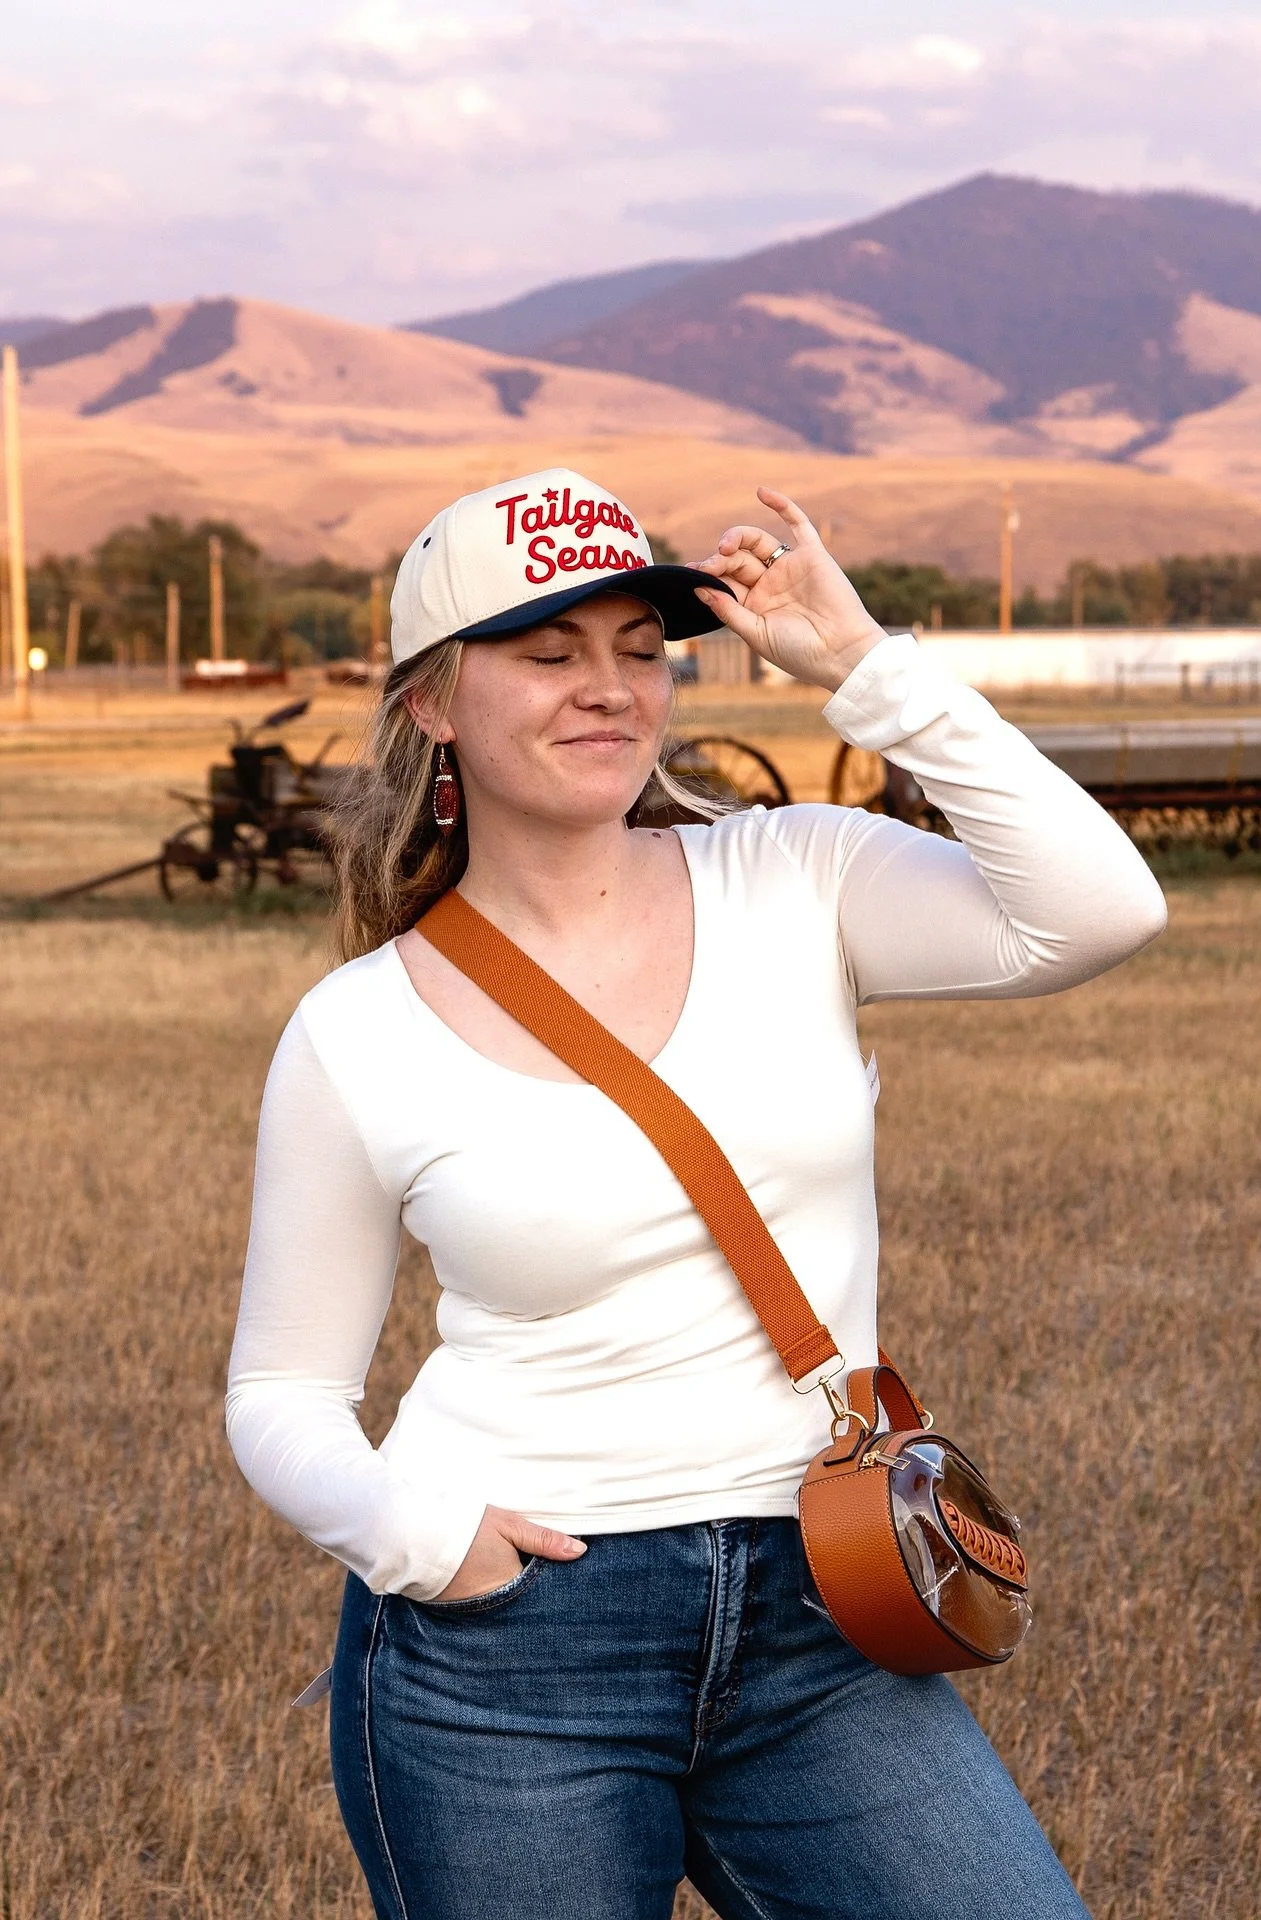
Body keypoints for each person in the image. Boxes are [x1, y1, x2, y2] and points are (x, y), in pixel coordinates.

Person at [227, 468, 1166, 1920]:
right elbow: (282, 1393)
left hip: (822, 1612)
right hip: (513, 1654)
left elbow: (1101, 909)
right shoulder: (358, 1031)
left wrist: (867, 667)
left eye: (636, 649)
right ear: (432, 702)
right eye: (548, 654)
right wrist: (422, 1544)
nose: (607, 690)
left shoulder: (797, 880)